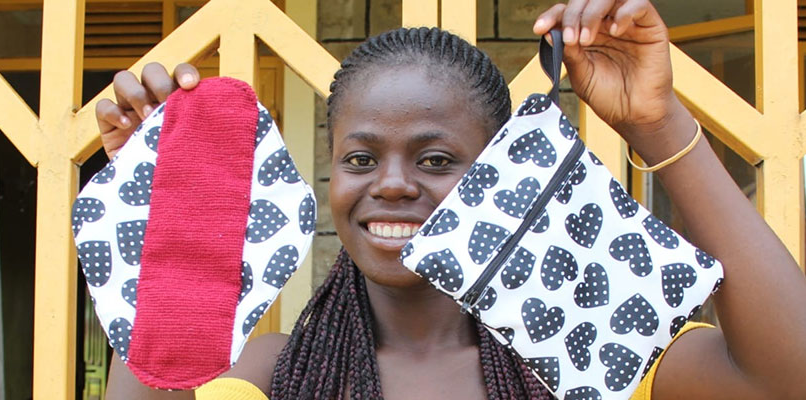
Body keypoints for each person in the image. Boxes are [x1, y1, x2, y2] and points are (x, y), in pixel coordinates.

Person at [96, 1, 806, 399]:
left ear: (498, 172)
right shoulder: (265, 377)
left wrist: (657, 122)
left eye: (436, 159)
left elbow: (785, 378)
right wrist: (165, 213)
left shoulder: (597, 358)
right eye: (361, 158)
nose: (394, 182)